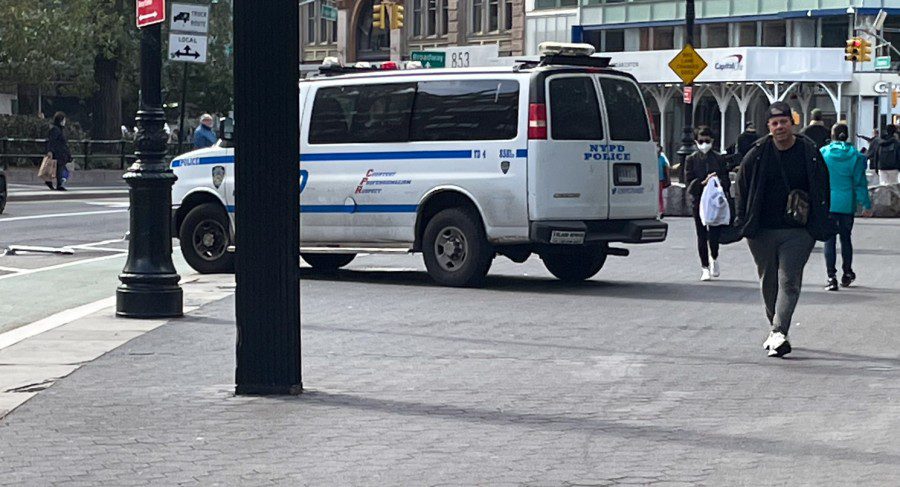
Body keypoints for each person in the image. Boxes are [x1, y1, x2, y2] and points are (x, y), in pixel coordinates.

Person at [735, 101, 832, 358]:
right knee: (769, 282)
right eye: (775, 123)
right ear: (768, 126)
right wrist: (741, 221)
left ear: (793, 123)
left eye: (784, 122)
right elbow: (741, 187)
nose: (780, 127)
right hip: (762, 230)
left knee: (789, 280)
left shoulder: (808, 150)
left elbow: (822, 185)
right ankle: (777, 330)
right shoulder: (757, 153)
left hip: (798, 231)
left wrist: (820, 221)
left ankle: (778, 329)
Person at [820, 123, 872, 291]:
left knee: (829, 240)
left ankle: (831, 277)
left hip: (828, 203)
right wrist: (866, 204)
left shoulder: (823, 153)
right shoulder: (855, 156)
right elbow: (859, 183)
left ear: (832, 135)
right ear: (847, 135)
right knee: (845, 239)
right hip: (847, 203)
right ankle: (847, 272)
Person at [684, 126, 730, 281]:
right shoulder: (691, 159)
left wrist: (718, 183)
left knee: (715, 234)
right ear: (696, 141)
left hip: (715, 201)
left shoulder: (719, 158)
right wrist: (703, 182)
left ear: (712, 141)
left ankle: (714, 257)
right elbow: (689, 183)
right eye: (701, 141)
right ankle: (704, 267)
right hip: (698, 201)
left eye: (707, 141)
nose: (704, 144)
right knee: (701, 234)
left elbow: (725, 179)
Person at [45, 112, 72, 191]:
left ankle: (54, 183)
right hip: (58, 152)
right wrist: (50, 151)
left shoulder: (58, 129)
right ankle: (58, 184)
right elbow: (52, 141)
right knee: (59, 169)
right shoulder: (56, 130)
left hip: (60, 152)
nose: (64, 122)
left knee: (59, 169)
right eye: (63, 120)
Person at [657, 144, 671, 217]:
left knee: (660, 196)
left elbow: (666, 168)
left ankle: (661, 210)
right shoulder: (651, 157)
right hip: (653, 179)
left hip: (660, 179)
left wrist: (668, 179)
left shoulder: (662, 158)